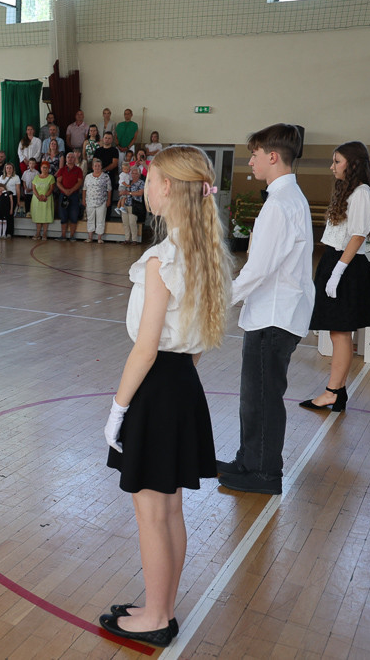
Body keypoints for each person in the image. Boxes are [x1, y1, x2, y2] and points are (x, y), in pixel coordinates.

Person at [99, 145, 232, 648]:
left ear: (169, 188)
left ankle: (155, 616)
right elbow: (194, 344)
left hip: (156, 389)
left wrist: (118, 408)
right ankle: (162, 605)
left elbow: (145, 348)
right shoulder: (202, 251)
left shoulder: (162, 259)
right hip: (184, 385)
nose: (145, 186)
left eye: (150, 179)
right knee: (169, 508)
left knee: (152, 512)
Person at [217, 124, 315, 495]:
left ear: (272, 156)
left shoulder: (280, 203)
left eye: (254, 154)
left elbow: (259, 269)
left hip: (274, 314)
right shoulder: (290, 198)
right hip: (276, 312)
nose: (251, 161)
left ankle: (264, 473)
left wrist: (219, 300)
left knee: (262, 396)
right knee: (255, 395)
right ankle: (249, 460)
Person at [300, 141, 370, 413]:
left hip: (346, 265)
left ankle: (333, 392)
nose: (331, 166)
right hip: (334, 260)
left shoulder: (361, 193)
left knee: (340, 332)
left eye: (337, 161)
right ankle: (337, 390)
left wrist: (337, 272)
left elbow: (358, 235)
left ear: (353, 164)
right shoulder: (348, 191)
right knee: (338, 332)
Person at [56, 151, 83, 241]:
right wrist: (65, 190)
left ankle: (72, 236)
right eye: (68, 157)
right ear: (66, 159)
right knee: (63, 215)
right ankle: (63, 236)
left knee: (74, 215)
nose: (70, 159)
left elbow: (79, 182)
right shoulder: (62, 170)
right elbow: (58, 182)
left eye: (72, 157)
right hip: (63, 195)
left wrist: (71, 190)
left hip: (74, 195)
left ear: (75, 159)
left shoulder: (78, 170)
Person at [82, 158, 112, 243]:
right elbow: (84, 189)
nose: (97, 167)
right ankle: (90, 237)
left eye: (99, 166)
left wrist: (108, 200)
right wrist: (84, 199)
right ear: (92, 167)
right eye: (95, 166)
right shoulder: (88, 177)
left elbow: (109, 189)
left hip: (102, 201)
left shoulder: (106, 176)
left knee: (100, 219)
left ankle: (99, 238)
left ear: (101, 167)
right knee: (90, 219)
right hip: (90, 201)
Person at [30, 161, 55, 240]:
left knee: (45, 215)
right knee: (38, 216)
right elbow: (33, 188)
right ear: (40, 168)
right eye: (43, 167)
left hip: (46, 199)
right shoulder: (36, 177)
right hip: (37, 199)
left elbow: (51, 188)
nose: (44, 169)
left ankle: (44, 233)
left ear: (48, 169)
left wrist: (45, 196)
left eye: (46, 168)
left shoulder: (51, 177)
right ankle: (37, 233)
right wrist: (38, 196)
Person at [121, 165, 145, 245]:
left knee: (132, 222)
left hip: (134, 204)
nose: (134, 175)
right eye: (132, 173)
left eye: (136, 173)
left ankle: (134, 240)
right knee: (125, 222)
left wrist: (129, 193)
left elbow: (140, 193)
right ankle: (127, 239)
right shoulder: (128, 181)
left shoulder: (141, 182)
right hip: (125, 203)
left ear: (139, 174)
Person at [0, 162, 20, 239]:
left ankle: (9, 232)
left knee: (10, 215)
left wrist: (18, 200)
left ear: (13, 169)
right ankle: (0, 233)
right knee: (1, 214)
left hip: (12, 197)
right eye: (7, 168)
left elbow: (18, 189)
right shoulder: (2, 177)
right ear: (5, 169)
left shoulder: (16, 177)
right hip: (3, 197)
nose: (9, 170)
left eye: (10, 168)